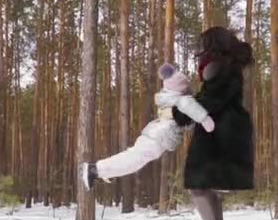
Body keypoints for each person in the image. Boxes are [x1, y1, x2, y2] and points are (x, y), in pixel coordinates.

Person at [172, 26, 254, 220]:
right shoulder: (224, 68)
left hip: (220, 133)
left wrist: (180, 112)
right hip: (222, 130)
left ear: (213, 45)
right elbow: (208, 97)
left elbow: (210, 99)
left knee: (197, 184)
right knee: (204, 186)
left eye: (203, 43)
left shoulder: (223, 69)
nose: (199, 48)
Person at [81, 63, 215, 191]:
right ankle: (96, 169)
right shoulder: (183, 100)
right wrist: (207, 122)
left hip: (155, 132)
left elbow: (187, 120)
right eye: (187, 88)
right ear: (182, 88)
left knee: (135, 157)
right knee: (135, 159)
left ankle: (106, 169)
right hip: (160, 136)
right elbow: (196, 112)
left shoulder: (169, 98)